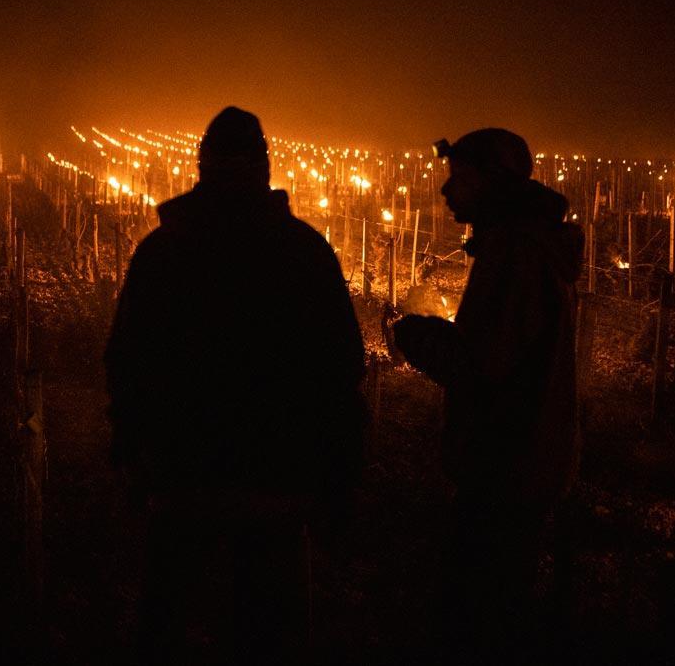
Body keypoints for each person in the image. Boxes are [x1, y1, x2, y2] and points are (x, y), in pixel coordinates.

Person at [105, 106, 366, 665]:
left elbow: (127, 360)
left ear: (200, 168)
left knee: (169, 619)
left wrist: (131, 450)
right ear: (266, 167)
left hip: (182, 470)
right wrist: (338, 471)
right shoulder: (304, 251)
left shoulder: (163, 252)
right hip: (278, 470)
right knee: (269, 628)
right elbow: (341, 367)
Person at [392, 128, 583, 664]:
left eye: (458, 179)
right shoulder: (522, 245)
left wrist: (413, 334)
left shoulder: (517, 254)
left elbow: (479, 365)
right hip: (521, 455)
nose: (446, 193)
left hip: (507, 462)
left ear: (491, 182)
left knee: (480, 612)